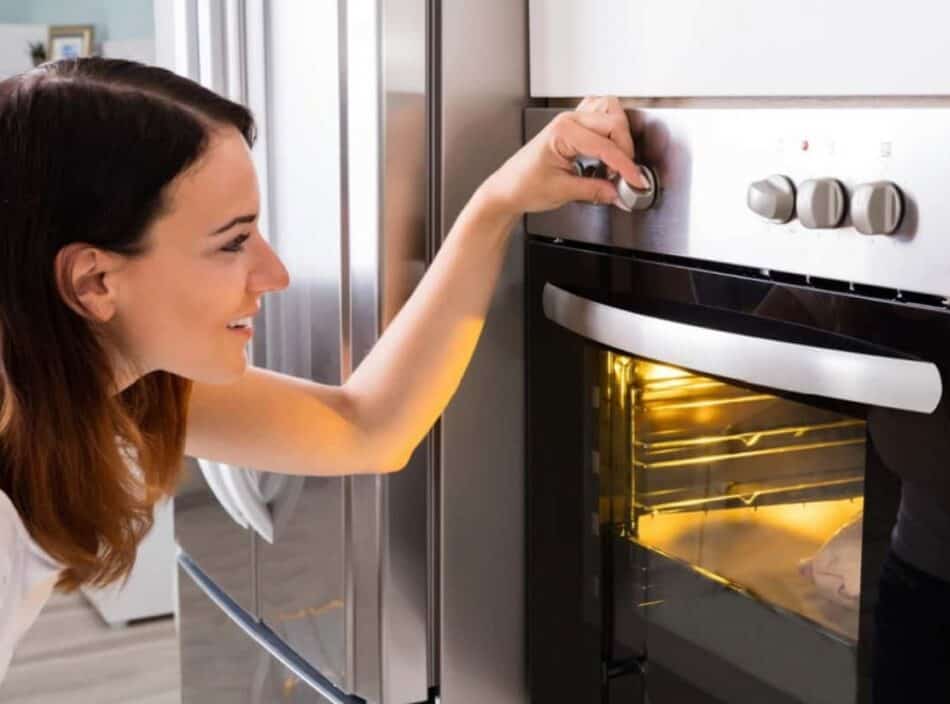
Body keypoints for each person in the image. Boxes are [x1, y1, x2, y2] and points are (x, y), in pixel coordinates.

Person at [0, 57, 647, 679]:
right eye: (232, 242)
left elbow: (368, 428)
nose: (274, 274)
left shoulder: (92, 375)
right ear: (93, 281)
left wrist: (497, 203)